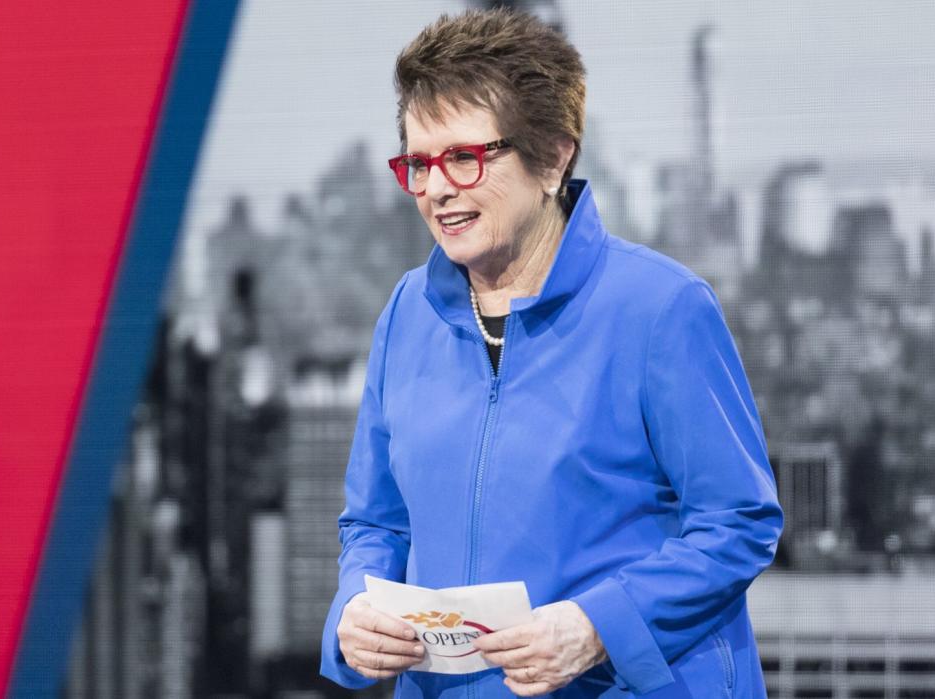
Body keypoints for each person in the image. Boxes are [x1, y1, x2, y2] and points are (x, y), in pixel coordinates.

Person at [320, 9, 783, 698]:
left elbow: (738, 524)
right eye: (417, 163)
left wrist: (597, 625)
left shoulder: (659, 308)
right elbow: (375, 520)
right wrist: (354, 607)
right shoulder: (407, 313)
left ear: (553, 156)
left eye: (464, 158)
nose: (437, 188)